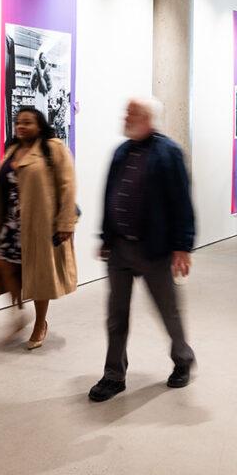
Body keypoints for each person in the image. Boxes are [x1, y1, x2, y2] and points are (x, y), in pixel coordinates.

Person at [88, 97, 195, 402]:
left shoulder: (169, 153)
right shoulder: (121, 151)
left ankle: (183, 359)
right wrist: (106, 237)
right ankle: (113, 375)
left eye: (132, 113)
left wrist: (182, 246)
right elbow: (110, 194)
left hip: (156, 250)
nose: (126, 116)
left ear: (148, 119)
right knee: (116, 316)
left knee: (168, 312)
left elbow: (181, 203)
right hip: (120, 250)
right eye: (126, 111)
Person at [0, 107, 77, 349]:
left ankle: (40, 323)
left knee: (39, 274)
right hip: (11, 223)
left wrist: (65, 222)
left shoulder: (53, 148)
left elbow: (68, 186)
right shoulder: (12, 150)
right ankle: (18, 313)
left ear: (39, 125)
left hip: (39, 224)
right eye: (18, 122)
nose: (21, 126)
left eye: (28, 122)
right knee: (3, 264)